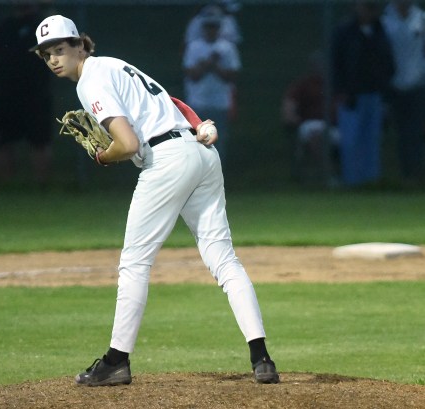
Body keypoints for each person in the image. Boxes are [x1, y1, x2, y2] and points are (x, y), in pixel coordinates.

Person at [30, 15, 279, 386]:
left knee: (134, 262)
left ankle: (116, 361)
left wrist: (102, 156)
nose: (53, 58)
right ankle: (262, 358)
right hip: (200, 154)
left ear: (81, 45)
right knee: (224, 258)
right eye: (46, 53)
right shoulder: (116, 65)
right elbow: (171, 100)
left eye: (61, 48)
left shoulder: (91, 80)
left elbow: (128, 145)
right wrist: (199, 125)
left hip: (166, 161)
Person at [0, 2, 54, 187]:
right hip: (5, 93)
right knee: (2, 141)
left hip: (36, 93)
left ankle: (41, 187)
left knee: (39, 140)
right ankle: (7, 187)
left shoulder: (45, 26)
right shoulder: (4, 26)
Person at [381, 0, 425, 185]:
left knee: (415, 132)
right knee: (401, 134)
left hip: (418, 87)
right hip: (395, 87)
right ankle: (405, 175)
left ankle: (416, 175)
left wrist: (423, 70)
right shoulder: (386, 22)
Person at [331, 1, 394, 187]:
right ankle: (352, 182)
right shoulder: (344, 32)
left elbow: (388, 61)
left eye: (372, 7)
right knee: (351, 141)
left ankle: (371, 182)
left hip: (374, 94)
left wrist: (386, 88)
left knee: (371, 141)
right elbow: (336, 63)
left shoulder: (381, 30)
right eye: (365, 6)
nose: (368, 11)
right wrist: (340, 90)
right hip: (352, 96)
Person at [183, 7, 241, 167]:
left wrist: (210, 64)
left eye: (214, 26)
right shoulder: (194, 47)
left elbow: (231, 76)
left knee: (218, 143)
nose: (211, 30)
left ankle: (215, 176)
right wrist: (210, 62)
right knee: (195, 142)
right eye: (208, 26)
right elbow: (192, 75)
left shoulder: (227, 48)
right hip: (197, 102)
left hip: (220, 102)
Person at [281, 50, 339, 184]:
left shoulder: (335, 84)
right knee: (316, 135)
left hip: (335, 126)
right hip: (310, 124)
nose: (321, 67)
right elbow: (289, 106)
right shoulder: (303, 85)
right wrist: (292, 119)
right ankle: (327, 175)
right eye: (317, 64)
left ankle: (353, 178)